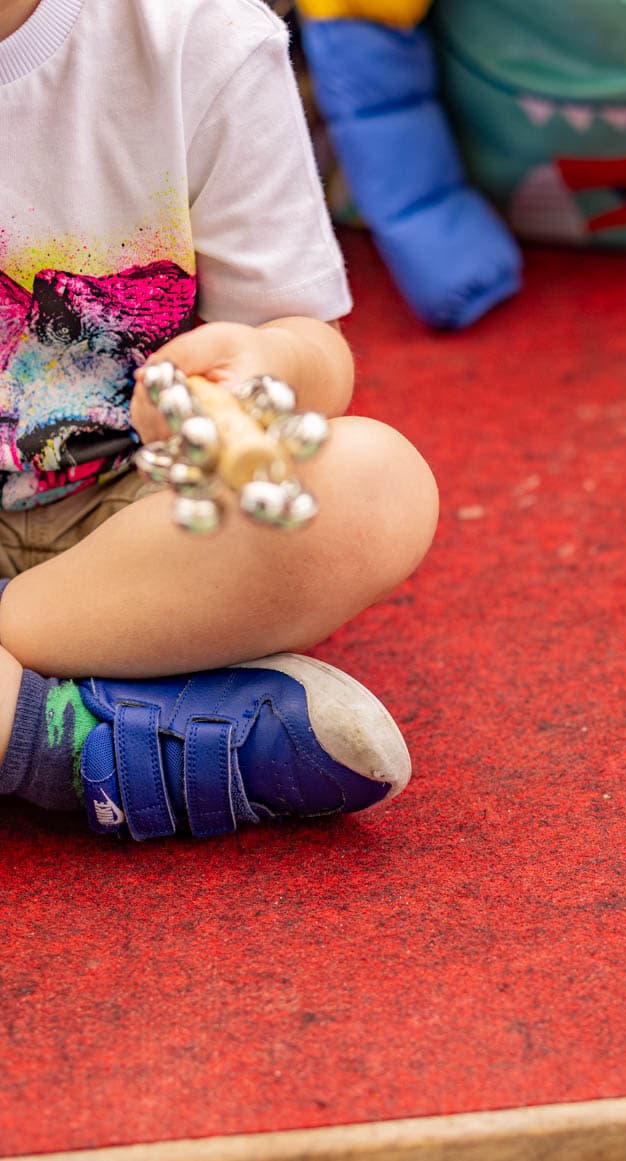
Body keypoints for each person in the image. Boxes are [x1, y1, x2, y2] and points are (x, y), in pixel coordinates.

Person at [0, 0, 439, 840]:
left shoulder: (202, 36)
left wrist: (262, 368)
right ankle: (71, 740)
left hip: (127, 516)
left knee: (377, 486)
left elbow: (311, 345)